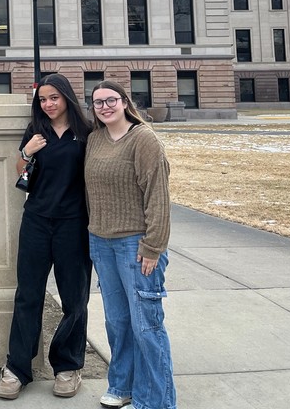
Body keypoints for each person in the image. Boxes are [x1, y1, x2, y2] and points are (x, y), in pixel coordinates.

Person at [0, 74, 92, 400]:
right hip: (37, 222)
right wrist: (26, 152)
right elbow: (20, 175)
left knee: (74, 298)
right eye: (43, 99)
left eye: (54, 97)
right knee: (28, 295)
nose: (48, 104)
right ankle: (17, 368)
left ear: (66, 97)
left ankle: (68, 366)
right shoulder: (36, 132)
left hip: (74, 224)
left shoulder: (87, 133)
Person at [86, 81, 176, 409]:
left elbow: (157, 196)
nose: (105, 106)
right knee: (118, 323)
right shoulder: (94, 140)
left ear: (125, 102)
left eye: (111, 100)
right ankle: (122, 386)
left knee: (146, 326)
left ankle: (156, 402)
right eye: (98, 102)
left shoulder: (143, 139)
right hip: (101, 243)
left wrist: (153, 246)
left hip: (135, 245)